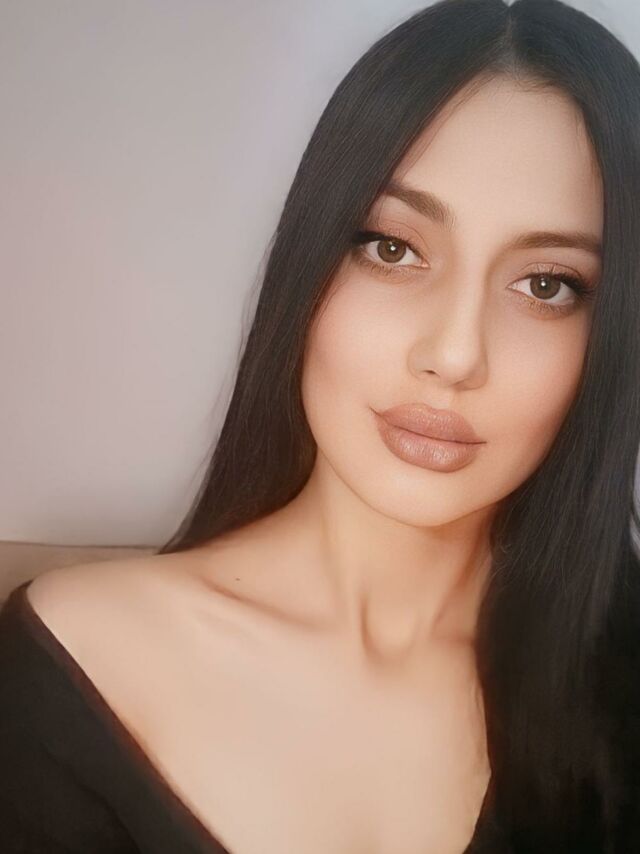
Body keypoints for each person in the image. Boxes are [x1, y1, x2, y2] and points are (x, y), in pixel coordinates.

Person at [2, 0, 640, 851]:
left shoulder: (620, 682)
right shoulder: (76, 660)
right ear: (309, 265)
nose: (454, 355)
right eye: (392, 247)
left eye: (547, 285)